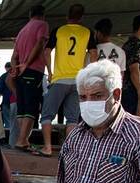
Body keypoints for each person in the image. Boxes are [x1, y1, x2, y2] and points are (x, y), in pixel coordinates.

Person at [35, 4, 97, 157]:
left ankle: (47, 148)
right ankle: (68, 152)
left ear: (67, 16)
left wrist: (49, 71)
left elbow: (47, 51)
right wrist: (88, 73)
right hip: (78, 81)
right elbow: (94, 53)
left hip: (60, 79)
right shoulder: (87, 32)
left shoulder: (59, 30)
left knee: (47, 115)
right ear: (81, 18)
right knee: (72, 118)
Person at [12, 4, 50, 149]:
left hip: (21, 72)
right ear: (43, 15)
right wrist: (27, 63)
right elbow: (40, 42)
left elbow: (14, 55)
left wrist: (16, 68)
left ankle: (23, 140)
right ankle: (21, 140)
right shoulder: (43, 24)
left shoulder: (22, 30)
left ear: (30, 15)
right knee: (31, 108)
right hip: (33, 70)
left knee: (22, 108)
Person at [122, 15, 140, 115]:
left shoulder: (127, 44)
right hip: (132, 90)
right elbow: (134, 69)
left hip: (125, 89)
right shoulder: (136, 45)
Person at [5, 64, 20, 147]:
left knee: (16, 124)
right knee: (15, 125)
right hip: (16, 101)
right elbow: (7, 80)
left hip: (18, 101)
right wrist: (15, 92)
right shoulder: (16, 67)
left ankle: (15, 144)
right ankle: (13, 145)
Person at [0, 62, 13, 129]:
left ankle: (8, 138)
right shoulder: (17, 74)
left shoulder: (3, 76)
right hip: (17, 102)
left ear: (6, 68)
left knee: (8, 123)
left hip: (6, 102)